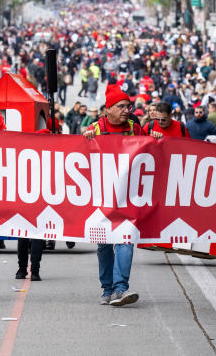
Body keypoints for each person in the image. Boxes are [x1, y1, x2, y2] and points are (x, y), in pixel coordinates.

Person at [83, 84, 142, 307]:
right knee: (104, 245)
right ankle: (107, 289)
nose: (127, 110)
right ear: (108, 109)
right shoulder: (95, 128)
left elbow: (153, 153)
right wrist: (85, 140)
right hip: (101, 199)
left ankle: (120, 289)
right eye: (121, 106)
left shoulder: (136, 129)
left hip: (127, 197)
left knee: (125, 240)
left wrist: (155, 137)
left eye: (128, 106)